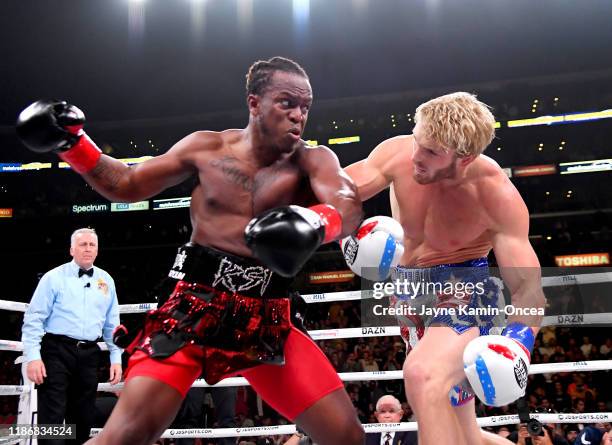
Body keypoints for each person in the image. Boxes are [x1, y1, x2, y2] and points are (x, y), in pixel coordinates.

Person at [16, 56, 364, 445]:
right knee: (126, 435)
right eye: (287, 103)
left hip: (265, 319)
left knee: (345, 435)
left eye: (305, 106)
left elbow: (348, 204)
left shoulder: (314, 159)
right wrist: (75, 145)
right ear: (254, 103)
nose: (299, 115)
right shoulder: (206, 148)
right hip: (192, 309)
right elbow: (127, 184)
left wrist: (317, 222)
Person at [343, 92, 545, 445]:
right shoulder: (400, 152)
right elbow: (338, 191)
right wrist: (329, 224)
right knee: (461, 430)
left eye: (432, 152)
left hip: (463, 289)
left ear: (464, 158)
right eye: (418, 141)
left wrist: (519, 343)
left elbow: (529, 290)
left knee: (423, 376)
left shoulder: (494, 193)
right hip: (408, 295)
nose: (416, 157)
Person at [21, 228, 122, 444]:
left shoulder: (107, 280)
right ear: (71, 249)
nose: (87, 248)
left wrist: (116, 358)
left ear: (97, 250)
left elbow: (113, 325)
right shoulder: (53, 278)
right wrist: (33, 356)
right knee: (52, 417)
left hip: (90, 354)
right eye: (83, 244)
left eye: (91, 244)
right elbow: (34, 318)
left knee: (82, 419)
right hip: (56, 350)